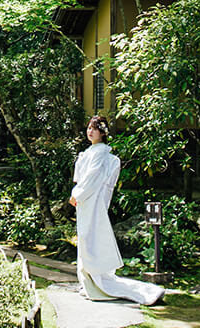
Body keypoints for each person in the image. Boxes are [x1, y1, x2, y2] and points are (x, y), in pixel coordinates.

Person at [69, 115, 164, 305]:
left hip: (92, 200)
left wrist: (77, 194)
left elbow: (91, 178)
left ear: (103, 133)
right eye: (89, 127)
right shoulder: (91, 151)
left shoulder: (101, 152)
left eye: (94, 128)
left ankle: (96, 282)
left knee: (91, 238)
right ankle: (89, 283)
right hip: (87, 202)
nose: (90, 131)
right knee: (86, 238)